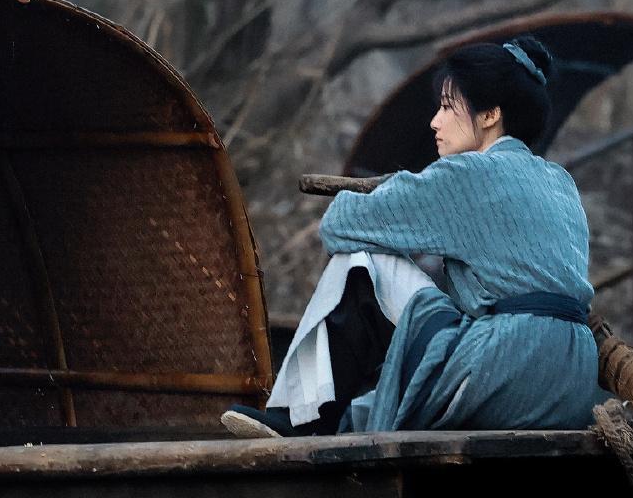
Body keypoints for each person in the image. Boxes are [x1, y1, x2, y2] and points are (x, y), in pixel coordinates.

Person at [223, 35, 602, 437]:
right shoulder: (560, 181)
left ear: (490, 114)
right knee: (434, 280)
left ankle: (298, 417)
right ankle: (336, 414)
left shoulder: (466, 174)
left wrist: (400, 188)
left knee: (359, 262)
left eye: (446, 107)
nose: (434, 122)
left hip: (506, 372)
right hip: (574, 380)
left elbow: (338, 225)